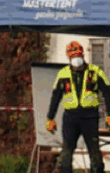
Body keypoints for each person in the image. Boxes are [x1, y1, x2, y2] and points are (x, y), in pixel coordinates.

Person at [45, 41, 110, 173]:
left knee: (94, 153)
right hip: (70, 118)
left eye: (78, 55)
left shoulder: (95, 71)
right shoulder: (63, 74)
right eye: (73, 56)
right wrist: (50, 118)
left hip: (90, 118)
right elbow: (56, 96)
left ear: (83, 55)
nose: (76, 59)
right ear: (68, 58)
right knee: (66, 153)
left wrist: (109, 114)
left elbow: (107, 93)